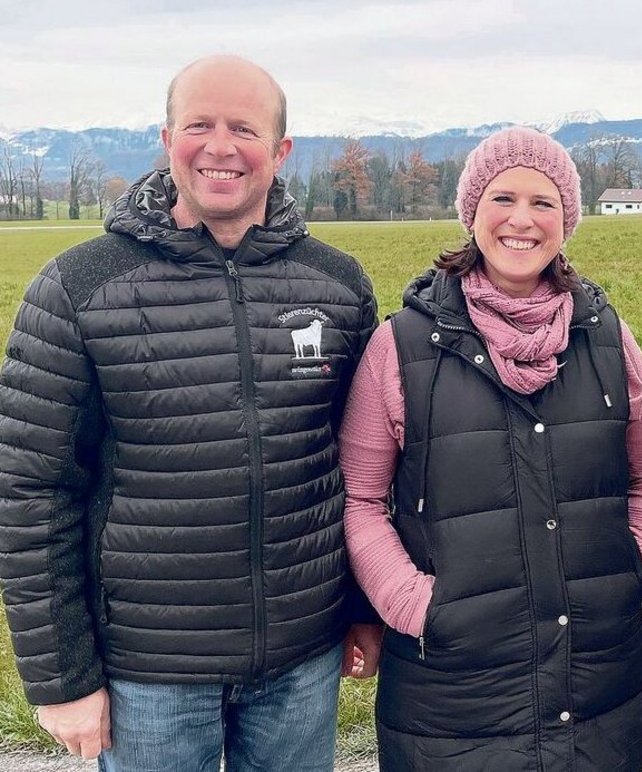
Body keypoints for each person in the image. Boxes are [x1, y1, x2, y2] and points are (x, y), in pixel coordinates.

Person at [0, 55, 382, 771]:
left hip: (302, 660)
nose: (220, 146)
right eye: (199, 124)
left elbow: (362, 468)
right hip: (149, 673)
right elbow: (29, 492)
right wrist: (62, 680)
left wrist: (361, 607)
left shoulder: (336, 285)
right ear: (167, 136)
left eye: (244, 127)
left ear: (280, 150)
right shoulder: (79, 287)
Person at [340, 125, 642, 771]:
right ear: (473, 212)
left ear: (565, 221)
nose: (522, 220)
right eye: (503, 199)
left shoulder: (605, 336)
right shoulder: (403, 347)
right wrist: (415, 605)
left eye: (543, 202)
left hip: (602, 684)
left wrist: (640, 566)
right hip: (453, 698)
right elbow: (360, 499)